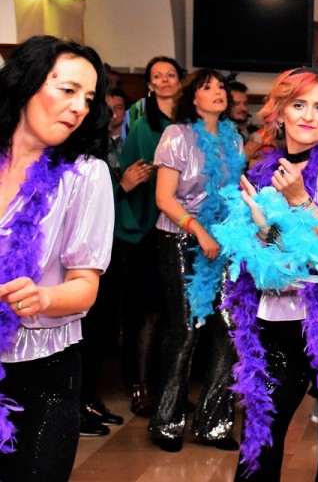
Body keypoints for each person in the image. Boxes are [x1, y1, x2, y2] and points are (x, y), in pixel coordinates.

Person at [211, 67, 318, 481]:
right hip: (278, 316)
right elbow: (267, 252)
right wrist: (263, 231)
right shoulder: (262, 172)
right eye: (299, 105)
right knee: (261, 430)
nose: (308, 116)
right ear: (280, 112)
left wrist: (300, 200)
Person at [0, 35, 114, 479]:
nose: (79, 107)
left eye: (88, 98)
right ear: (26, 83)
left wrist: (43, 298)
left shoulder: (86, 175)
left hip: (41, 375)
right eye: (68, 90)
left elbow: (86, 287)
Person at [149, 68, 243, 452]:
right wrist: (199, 232)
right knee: (186, 329)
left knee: (229, 329)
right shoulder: (177, 135)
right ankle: (167, 423)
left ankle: (213, 424)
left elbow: (234, 196)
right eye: (208, 87)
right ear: (192, 96)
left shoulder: (234, 139)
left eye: (221, 86)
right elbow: (164, 198)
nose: (218, 92)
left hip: (222, 244)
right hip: (180, 238)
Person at [117, 56, 184, 417]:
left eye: (170, 74)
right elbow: (130, 175)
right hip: (149, 227)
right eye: (157, 76)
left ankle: (169, 389)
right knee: (148, 312)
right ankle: (140, 386)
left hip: (184, 231)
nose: (165, 80)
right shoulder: (143, 126)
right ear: (149, 85)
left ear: (180, 81)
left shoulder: (191, 125)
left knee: (177, 315)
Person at [77, 86, 135, 436]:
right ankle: (78, 406)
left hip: (107, 249)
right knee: (84, 333)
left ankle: (87, 398)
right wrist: (122, 186)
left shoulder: (97, 152)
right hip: (82, 256)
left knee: (100, 331)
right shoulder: (79, 153)